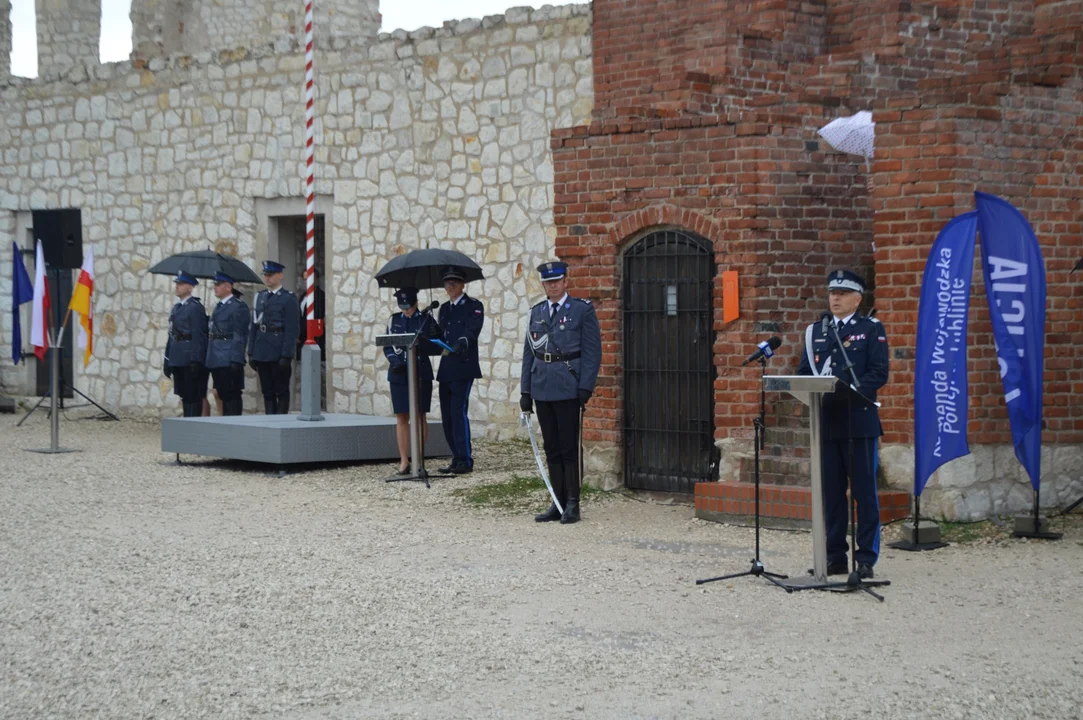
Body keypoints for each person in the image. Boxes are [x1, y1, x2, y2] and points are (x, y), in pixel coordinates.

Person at [797, 268, 890, 579]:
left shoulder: (871, 328)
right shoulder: (815, 332)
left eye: (842, 293)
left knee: (865, 493)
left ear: (857, 299)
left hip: (859, 422)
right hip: (826, 423)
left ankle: (865, 560)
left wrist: (850, 394)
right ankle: (835, 556)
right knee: (832, 495)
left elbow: (878, 373)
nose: (834, 297)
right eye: (831, 292)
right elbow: (804, 373)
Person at [519, 260, 601, 524]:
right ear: (543, 284)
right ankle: (557, 501)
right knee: (551, 447)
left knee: (568, 448)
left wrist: (586, 385)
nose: (552, 286)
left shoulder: (581, 310)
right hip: (542, 386)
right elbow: (529, 354)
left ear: (566, 281)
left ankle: (573, 503)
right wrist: (525, 390)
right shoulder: (537, 312)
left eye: (557, 281)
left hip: (568, 387)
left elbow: (592, 352)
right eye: (548, 282)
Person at [383, 287, 441, 475]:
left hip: (420, 372)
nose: (406, 310)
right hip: (399, 373)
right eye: (402, 306)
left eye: (408, 306)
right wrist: (395, 361)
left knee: (420, 415)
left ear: (416, 303)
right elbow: (387, 345)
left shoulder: (425, 319)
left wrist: (435, 332)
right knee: (402, 416)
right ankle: (403, 460)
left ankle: (418, 458)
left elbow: (436, 342)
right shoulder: (394, 320)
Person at [435, 267, 485, 474]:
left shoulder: (474, 306)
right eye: (447, 283)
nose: (451, 286)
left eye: (455, 282)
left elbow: (471, 331)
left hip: (463, 365)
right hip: (446, 367)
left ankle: (465, 459)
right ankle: (455, 457)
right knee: (446, 415)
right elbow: (439, 332)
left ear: (463, 284)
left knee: (458, 412)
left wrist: (459, 344)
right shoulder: (444, 309)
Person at [248, 260, 300, 414]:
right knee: (267, 391)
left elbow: (292, 329)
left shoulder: (288, 298)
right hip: (262, 349)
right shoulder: (260, 297)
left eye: (270, 275)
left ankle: (281, 421)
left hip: (278, 350)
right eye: (265, 275)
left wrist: (286, 354)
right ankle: (269, 419)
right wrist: (251, 351)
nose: (267, 278)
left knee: (281, 391)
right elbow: (254, 326)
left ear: (280, 276)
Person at [163, 270, 208, 418]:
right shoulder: (177, 308)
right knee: (184, 394)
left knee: (193, 395)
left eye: (181, 284)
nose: (177, 286)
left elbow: (198, 335)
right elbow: (171, 335)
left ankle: (193, 424)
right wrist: (167, 359)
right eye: (177, 283)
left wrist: (196, 359)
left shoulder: (195, 307)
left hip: (189, 357)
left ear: (190, 287)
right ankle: (187, 422)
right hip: (177, 355)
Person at [205, 272, 250, 416]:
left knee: (232, 396)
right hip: (216, 357)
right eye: (215, 285)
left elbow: (239, 334)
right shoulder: (219, 307)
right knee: (222, 394)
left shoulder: (238, 307)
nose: (215, 287)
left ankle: (234, 426)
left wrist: (236, 359)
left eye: (218, 285)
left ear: (228, 287)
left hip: (228, 357)